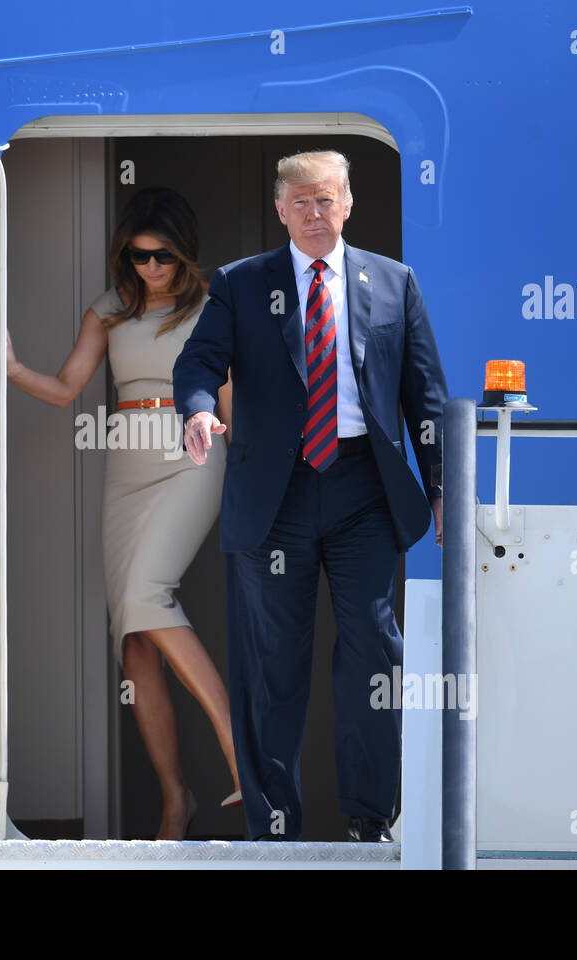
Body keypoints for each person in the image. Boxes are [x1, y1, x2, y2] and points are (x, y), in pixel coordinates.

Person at [172, 151, 448, 843]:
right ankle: (274, 827)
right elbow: (199, 362)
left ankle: (368, 820)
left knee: (373, 653)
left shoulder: (394, 282)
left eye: (327, 201)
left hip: (364, 491)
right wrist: (199, 409)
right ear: (281, 209)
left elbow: (427, 396)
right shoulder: (243, 284)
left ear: (348, 204)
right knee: (273, 664)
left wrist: (441, 486)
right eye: (303, 203)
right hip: (278, 495)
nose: (316, 214)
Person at [6, 187, 241, 840]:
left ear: (183, 252)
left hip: (191, 454)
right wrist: (11, 367)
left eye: (162, 255)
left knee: (148, 594)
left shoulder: (215, 303)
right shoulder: (109, 310)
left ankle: (238, 751)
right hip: (126, 466)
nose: (150, 267)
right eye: (137, 257)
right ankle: (176, 802)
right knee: (134, 644)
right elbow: (64, 389)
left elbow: (229, 403)